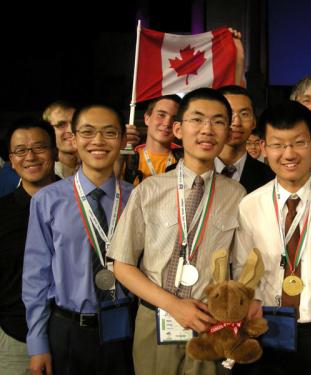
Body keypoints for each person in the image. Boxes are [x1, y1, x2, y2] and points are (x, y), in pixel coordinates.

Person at [108, 88, 246, 375]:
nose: (207, 130)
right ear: (178, 130)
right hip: (155, 317)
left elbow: (242, 268)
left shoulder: (238, 195)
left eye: (218, 121)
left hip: (211, 323)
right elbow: (121, 264)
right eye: (197, 119)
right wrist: (174, 305)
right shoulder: (149, 190)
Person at [232, 101, 311, 375]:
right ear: (264, 149)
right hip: (264, 332)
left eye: (299, 142)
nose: (288, 153)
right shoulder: (250, 205)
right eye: (278, 144)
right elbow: (243, 271)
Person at [23, 104, 135, 375]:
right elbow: (36, 277)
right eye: (87, 132)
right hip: (68, 330)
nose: (98, 141)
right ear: (72, 139)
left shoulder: (137, 199)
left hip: (125, 328)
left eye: (109, 132)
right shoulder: (47, 200)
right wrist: (37, 344)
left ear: (122, 140)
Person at [0, 120, 57, 374]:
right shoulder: (2, 212)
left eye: (39, 147)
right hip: (16, 336)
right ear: (11, 160)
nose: (30, 157)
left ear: (55, 151)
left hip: (75, 336)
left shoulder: (81, 205)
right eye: (21, 151)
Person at [216, 85, 274, 193]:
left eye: (244, 114)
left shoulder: (272, 178)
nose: (236, 122)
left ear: (254, 122)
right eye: (229, 113)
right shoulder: (190, 172)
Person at [132, 94, 181, 184]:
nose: (167, 123)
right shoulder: (128, 160)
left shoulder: (186, 162)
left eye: (174, 118)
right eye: (161, 115)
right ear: (147, 119)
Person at [42, 100, 78, 178]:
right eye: (61, 125)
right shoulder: (41, 174)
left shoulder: (99, 167)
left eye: (75, 123)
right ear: (47, 132)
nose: (71, 130)